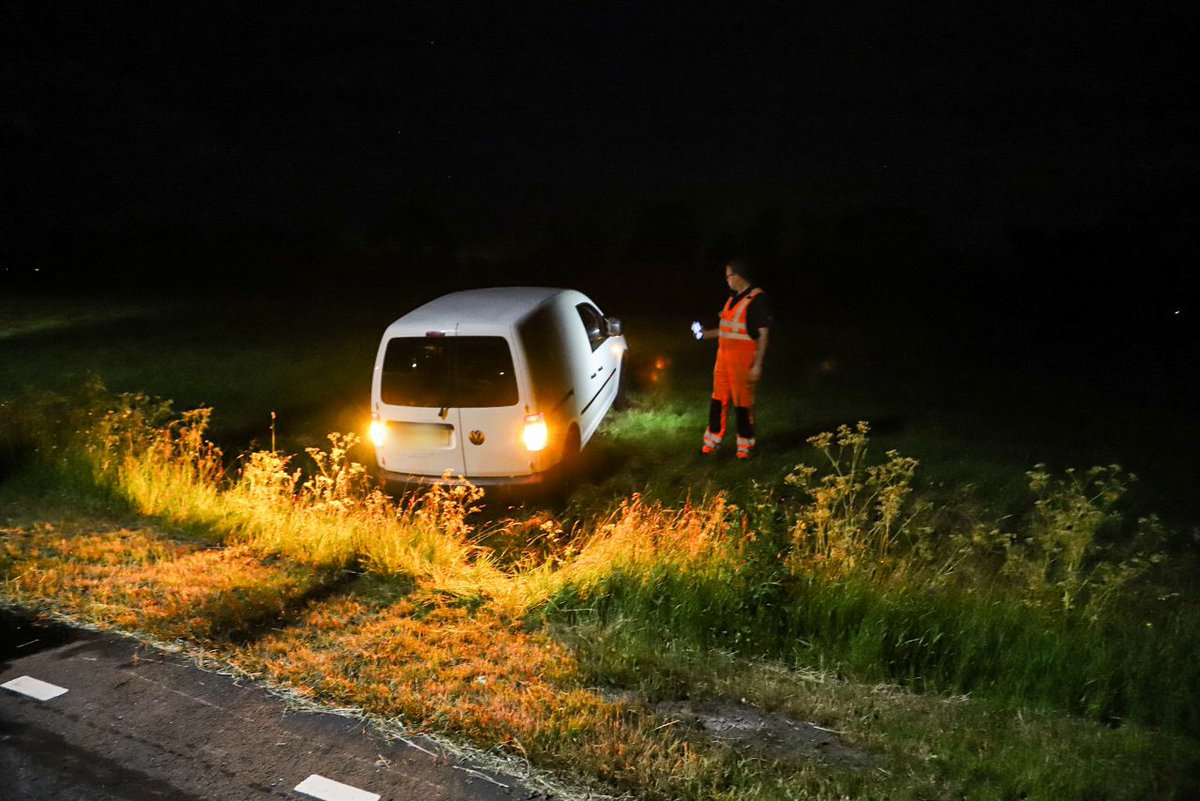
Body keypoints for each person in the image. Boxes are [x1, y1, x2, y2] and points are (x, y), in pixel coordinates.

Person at [694, 258, 773, 459]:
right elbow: (726, 330)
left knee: (742, 404)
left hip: (743, 361)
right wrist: (705, 334)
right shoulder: (732, 299)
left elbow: (763, 335)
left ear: (738, 277)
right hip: (723, 360)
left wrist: (757, 365)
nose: (727, 280)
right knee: (718, 401)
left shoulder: (757, 300)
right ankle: (712, 442)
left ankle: (745, 447)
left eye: (729, 276)